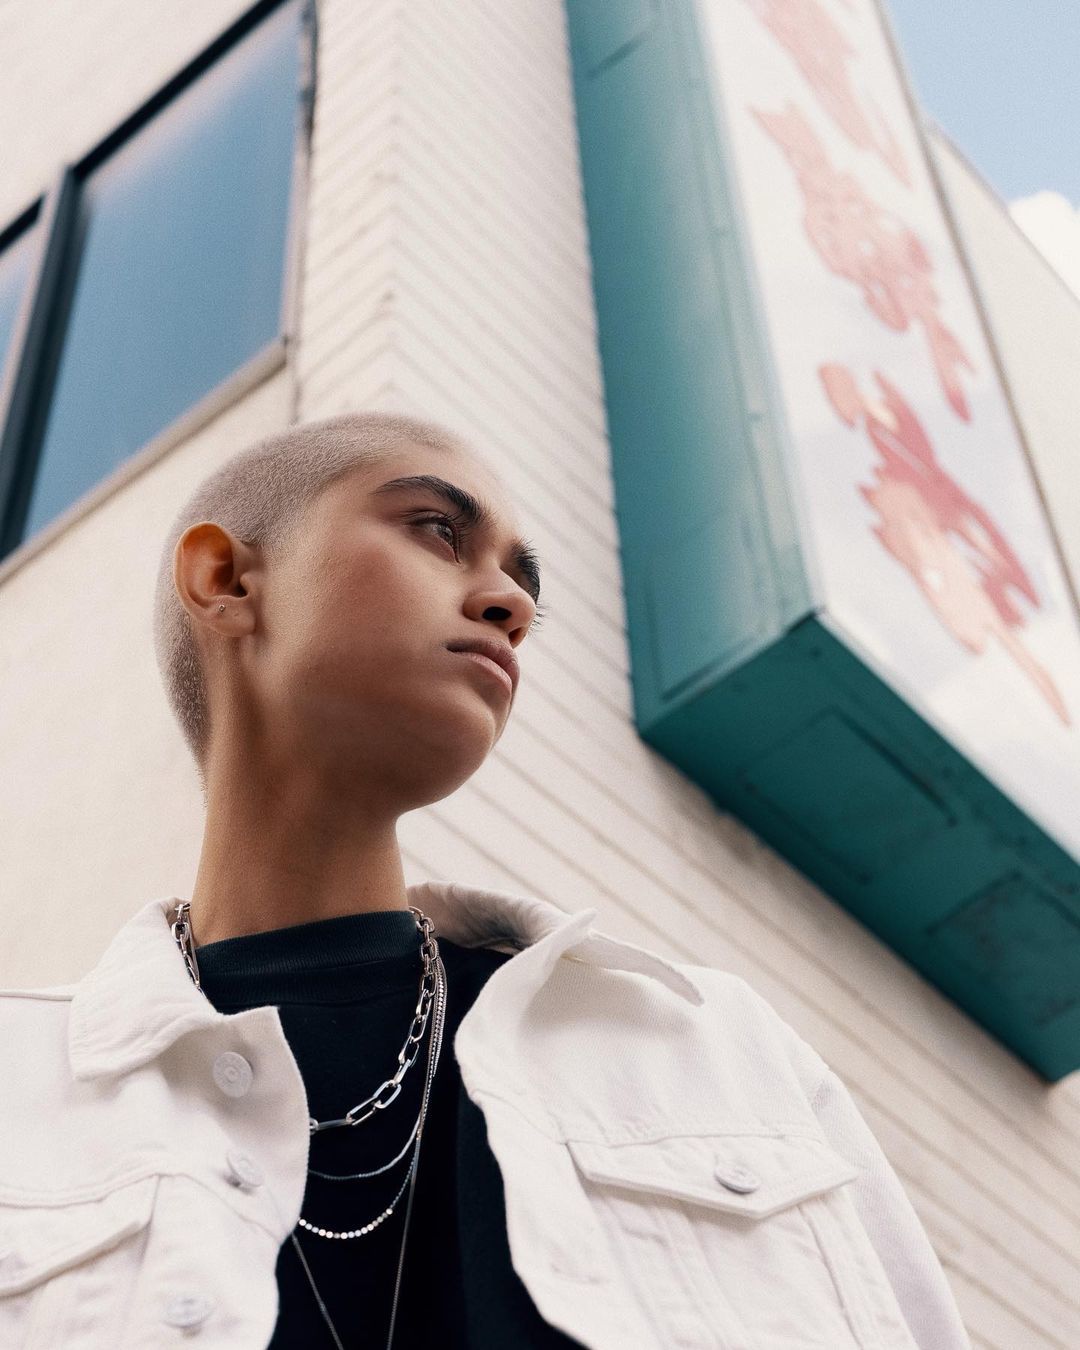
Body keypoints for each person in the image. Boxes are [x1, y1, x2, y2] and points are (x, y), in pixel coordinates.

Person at [0, 411, 973, 1349]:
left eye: (523, 586)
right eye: (438, 530)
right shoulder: (18, 1097)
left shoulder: (711, 1049)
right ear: (226, 581)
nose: (507, 602)